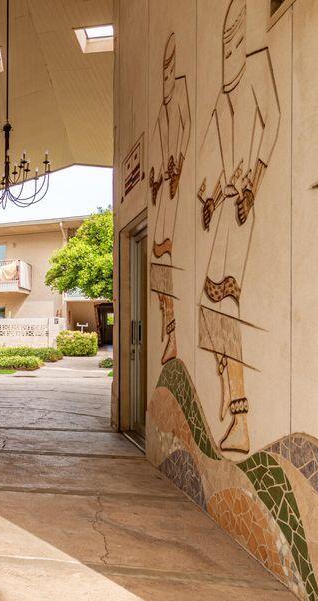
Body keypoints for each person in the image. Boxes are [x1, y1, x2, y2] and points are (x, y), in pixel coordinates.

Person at [196, 0, 280, 454]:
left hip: (245, 214)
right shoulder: (220, 96)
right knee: (214, 315)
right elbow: (205, 161)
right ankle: (229, 402)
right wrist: (209, 199)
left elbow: (273, 124)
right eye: (223, 38)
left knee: (231, 312)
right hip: (227, 217)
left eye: (234, 36)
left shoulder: (257, 67)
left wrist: (255, 183)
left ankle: (241, 415)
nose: (228, 47)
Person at [149, 32, 191, 365]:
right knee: (158, 262)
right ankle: (169, 327)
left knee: (167, 258)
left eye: (168, 70)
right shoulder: (160, 113)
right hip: (163, 192)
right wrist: (156, 178)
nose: (165, 78)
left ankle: (173, 332)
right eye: (161, 72)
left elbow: (188, 127)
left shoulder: (179, 96)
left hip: (175, 191)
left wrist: (177, 162)